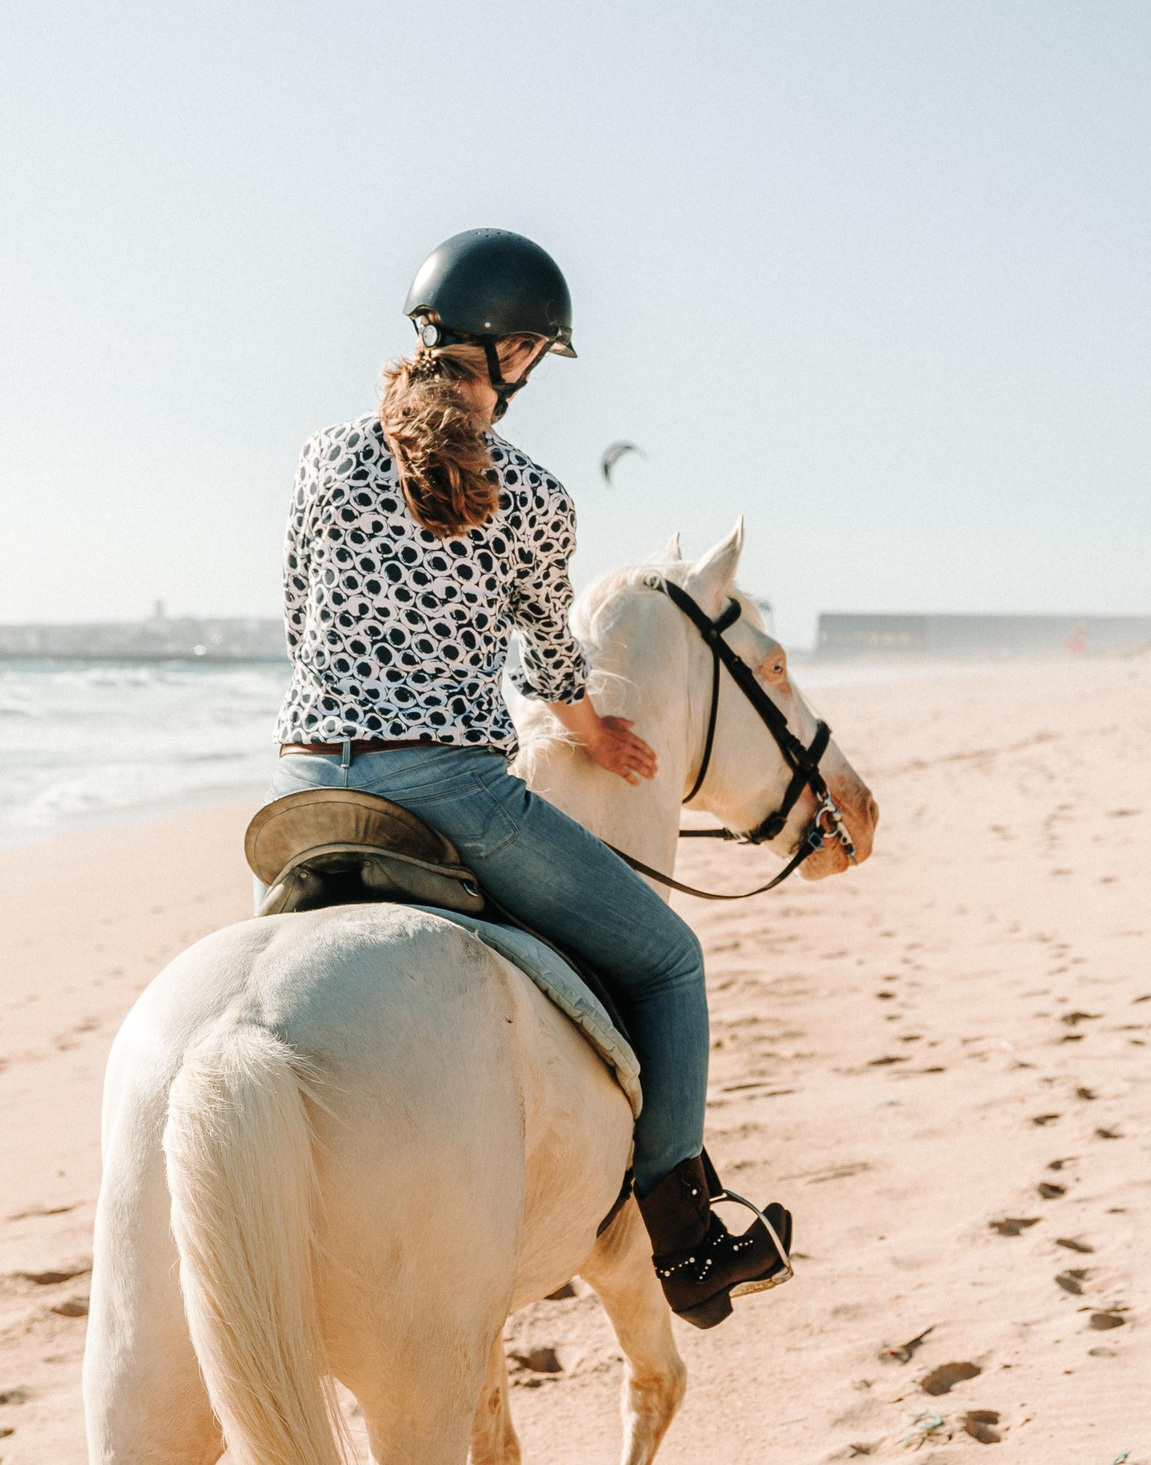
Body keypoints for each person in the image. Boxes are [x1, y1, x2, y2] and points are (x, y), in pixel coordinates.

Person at [266, 227, 791, 1327]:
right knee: (667, 963)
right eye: (537, 354)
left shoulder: (321, 452)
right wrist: (590, 732)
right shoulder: (534, 494)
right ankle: (688, 1245)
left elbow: (295, 612)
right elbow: (550, 652)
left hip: (303, 787)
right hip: (448, 789)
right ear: (512, 352)